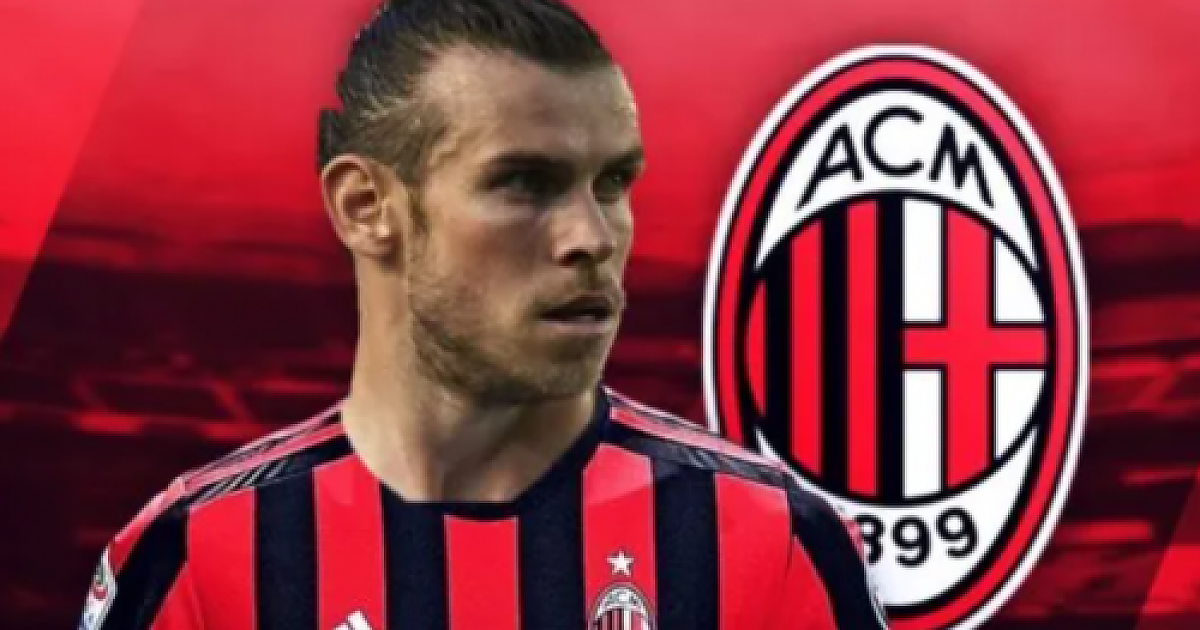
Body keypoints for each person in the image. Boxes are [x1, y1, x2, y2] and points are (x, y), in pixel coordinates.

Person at [79, 0, 889, 628]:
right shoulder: (201, 555)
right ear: (366, 206)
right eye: (524, 184)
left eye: (612, 183)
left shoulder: (772, 540)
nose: (592, 237)